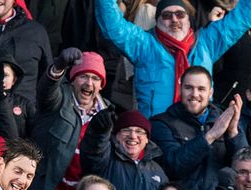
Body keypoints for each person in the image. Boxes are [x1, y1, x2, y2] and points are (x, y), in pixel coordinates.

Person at [95, 0, 251, 117]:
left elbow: (242, 16)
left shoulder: (206, 43)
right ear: (157, 22)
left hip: (198, 130)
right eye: (167, 16)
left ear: (188, 20)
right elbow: (112, 26)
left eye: (180, 14)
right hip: (155, 134)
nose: (174, 20)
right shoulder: (144, 45)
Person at [26, 48, 110, 190]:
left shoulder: (107, 115)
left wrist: (102, 135)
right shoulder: (59, 99)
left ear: (101, 85)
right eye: (84, 76)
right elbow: (46, 90)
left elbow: (100, 165)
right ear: (72, 79)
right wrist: (58, 66)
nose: (89, 83)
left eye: (95, 79)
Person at [150, 66, 248, 190]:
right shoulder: (161, 123)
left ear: (211, 92)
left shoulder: (226, 120)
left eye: (201, 89)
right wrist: (211, 135)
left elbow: (244, 166)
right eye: (189, 88)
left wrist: (233, 132)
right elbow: (173, 166)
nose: (194, 94)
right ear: (180, 88)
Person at [80, 109, 169, 190]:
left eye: (139, 131)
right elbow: (93, 150)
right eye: (126, 130)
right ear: (116, 135)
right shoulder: (105, 160)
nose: (132, 136)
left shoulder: (157, 171)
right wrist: (98, 131)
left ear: (147, 138)